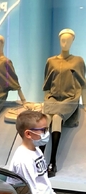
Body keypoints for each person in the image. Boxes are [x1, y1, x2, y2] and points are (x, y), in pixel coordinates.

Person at [42, 28, 86, 177]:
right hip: (53, 98)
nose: (65, 43)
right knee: (44, 119)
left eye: (68, 40)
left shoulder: (78, 61)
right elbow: (47, 85)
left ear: (73, 41)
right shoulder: (51, 61)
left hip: (70, 99)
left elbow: (83, 84)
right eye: (62, 40)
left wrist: (85, 104)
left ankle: (52, 162)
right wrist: (46, 102)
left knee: (56, 118)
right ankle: (39, 161)